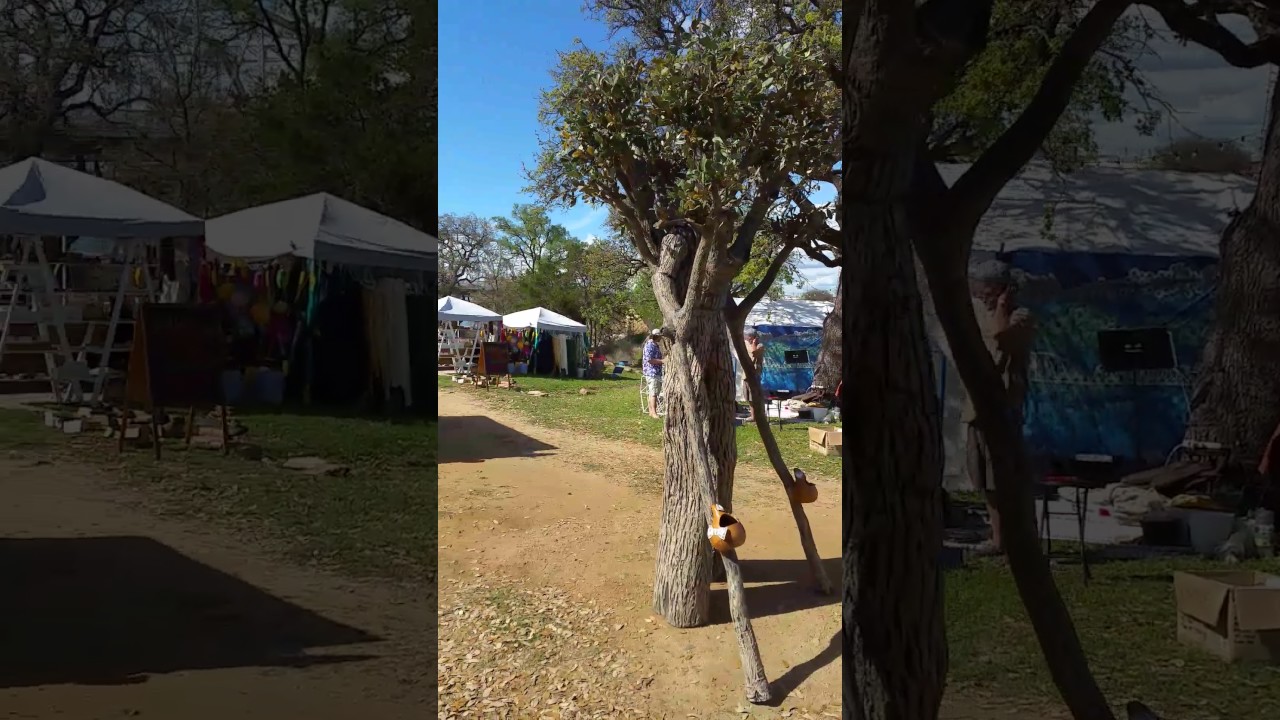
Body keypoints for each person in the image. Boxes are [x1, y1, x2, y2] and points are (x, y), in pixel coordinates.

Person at [963, 259, 1036, 555]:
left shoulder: (1021, 317)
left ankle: (1018, 538)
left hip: (1003, 405)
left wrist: (1003, 307)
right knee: (984, 477)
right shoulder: (979, 314)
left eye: (983, 287)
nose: (978, 292)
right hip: (976, 405)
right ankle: (998, 538)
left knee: (1004, 477)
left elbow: (1000, 340)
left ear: (997, 289)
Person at [742, 330, 767, 421]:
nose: (747, 339)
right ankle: (753, 416)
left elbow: (754, 353)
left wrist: (754, 343)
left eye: (749, 337)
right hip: (746, 374)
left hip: (755, 373)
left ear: (753, 337)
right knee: (749, 396)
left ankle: (760, 415)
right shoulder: (746, 344)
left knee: (756, 396)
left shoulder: (760, 346)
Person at [642, 328, 665, 419]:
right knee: (654, 393)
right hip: (652, 372)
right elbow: (650, 360)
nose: (661, 338)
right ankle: (654, 412)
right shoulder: (650, 345)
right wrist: (662, 361)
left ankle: (651, 412)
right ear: (656, 336)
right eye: (660, 337)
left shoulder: (655, 345)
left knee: (652, 392)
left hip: (655, 372)